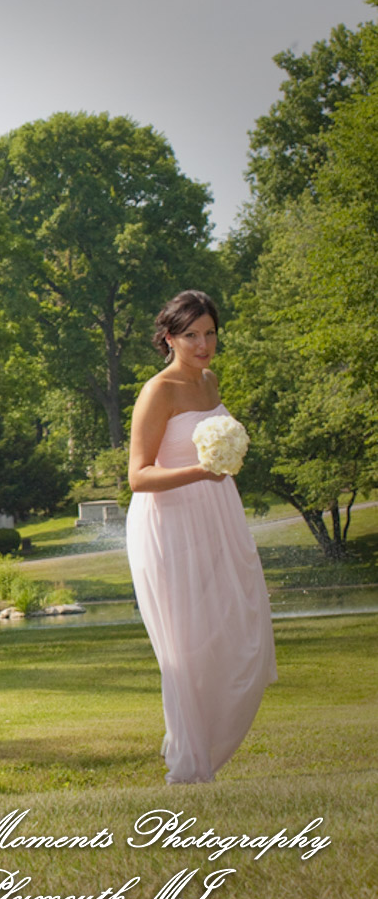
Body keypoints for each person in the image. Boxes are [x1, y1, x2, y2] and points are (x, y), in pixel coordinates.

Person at [126, 290, 277, 784]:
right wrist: (200, 470)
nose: (203, 343)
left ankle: (204, 747)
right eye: (191, 335)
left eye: (210, 332)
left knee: (236, 628)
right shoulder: (159, 391)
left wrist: (221, 467)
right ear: (169, 338)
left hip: (216, 516)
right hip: (169, 523)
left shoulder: (210, 382)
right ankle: (190, 764)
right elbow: (138, 477)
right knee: (186, 646)